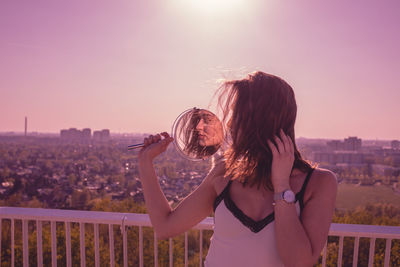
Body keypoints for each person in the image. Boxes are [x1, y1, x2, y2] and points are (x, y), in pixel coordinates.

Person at [138, 71, 337, 267]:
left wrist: (282, 186)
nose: (231, 122)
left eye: (237, 113)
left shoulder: (319, 183)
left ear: (262, 120)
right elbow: (165, 227)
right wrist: (145, 162)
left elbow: (299, 262)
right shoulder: (225, 171)